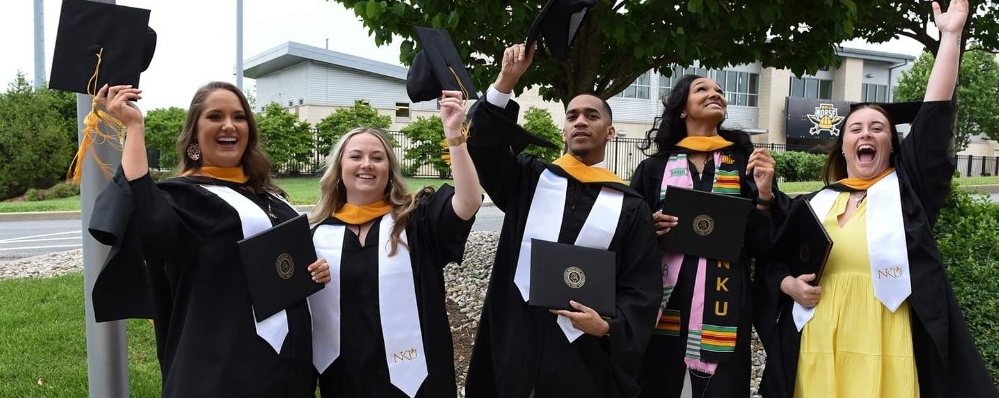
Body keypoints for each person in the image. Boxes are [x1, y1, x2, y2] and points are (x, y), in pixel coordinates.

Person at [755, 0, 998, 397]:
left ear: (891, 144)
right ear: (844, 144)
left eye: (877, 128)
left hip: (888, 334)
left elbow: (934, 116)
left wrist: (951, 36)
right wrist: (788, 285)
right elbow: (773, 260)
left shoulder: (908, 193)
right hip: (820, 337)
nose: (866, 133)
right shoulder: (816, 204)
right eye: (856, 128)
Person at [87, 81, 330, 397]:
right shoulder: (183, 197)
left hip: (289, 365)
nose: (229, 125)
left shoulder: (271, 195)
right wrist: (134, 128)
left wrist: (314, 272)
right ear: (194, 135)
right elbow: (152, 230)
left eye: (239, 117)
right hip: (224, 367)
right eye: (215, 116)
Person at [463, 43, 663, 398]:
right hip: (516, 336)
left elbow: (641, 287)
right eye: (572, 117)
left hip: (582, 353)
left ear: (610, 132)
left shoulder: (631, 207)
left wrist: (608, 326)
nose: (581, 121)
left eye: (592, 115)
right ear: (563, 132)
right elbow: (484, 150)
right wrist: (505, 82)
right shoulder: (529, 179)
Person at [306, 89, 481, 398]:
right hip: (346, 378)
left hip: (415, 378)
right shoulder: (317, 235)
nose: (367, 164)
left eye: (377, 157)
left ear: (389, 170)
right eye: (356, 156)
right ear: (339, 169)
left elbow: (468, 202)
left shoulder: (415, 222)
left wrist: (454, 135)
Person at [629, 73, 780, 397]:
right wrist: (648, 229)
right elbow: (627, 235)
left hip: (725, 304)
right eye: (702, 89)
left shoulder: (744, 161)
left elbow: (761, 243)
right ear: (682, 109)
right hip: (664, 307)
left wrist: (765, 196)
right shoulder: (654, 168)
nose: (715, 94)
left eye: (720, 91)